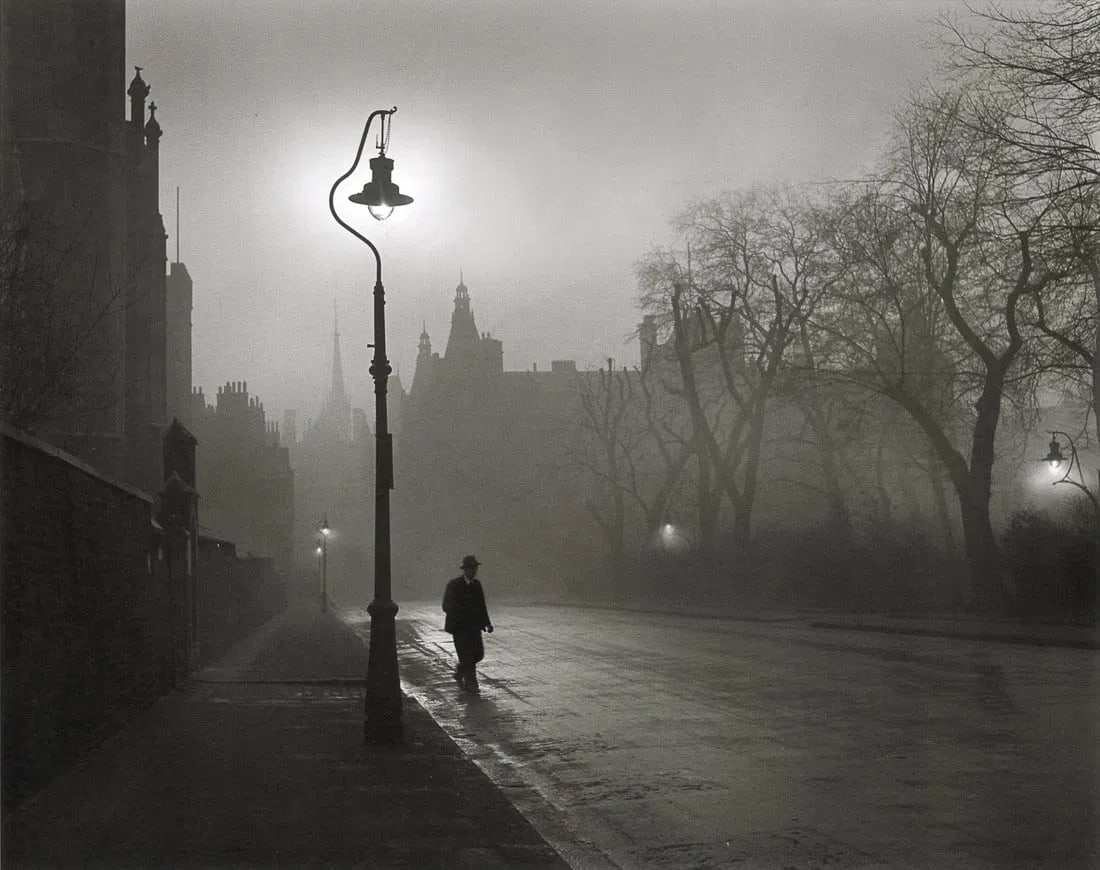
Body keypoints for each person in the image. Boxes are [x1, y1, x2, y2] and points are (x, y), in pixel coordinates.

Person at [442, 555, 493, 693]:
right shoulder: (454, 585)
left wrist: (487, 623)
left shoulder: (477, 585)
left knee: (478, 654)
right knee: (466, 655)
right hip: (459, 627)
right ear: (465, 570)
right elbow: (446, 605)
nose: (474, 571)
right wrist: (457, 614)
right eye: (471, 568)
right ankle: (471, 683)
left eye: (475, 568)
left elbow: (482, 605)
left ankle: (460, 671)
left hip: (474, 626)